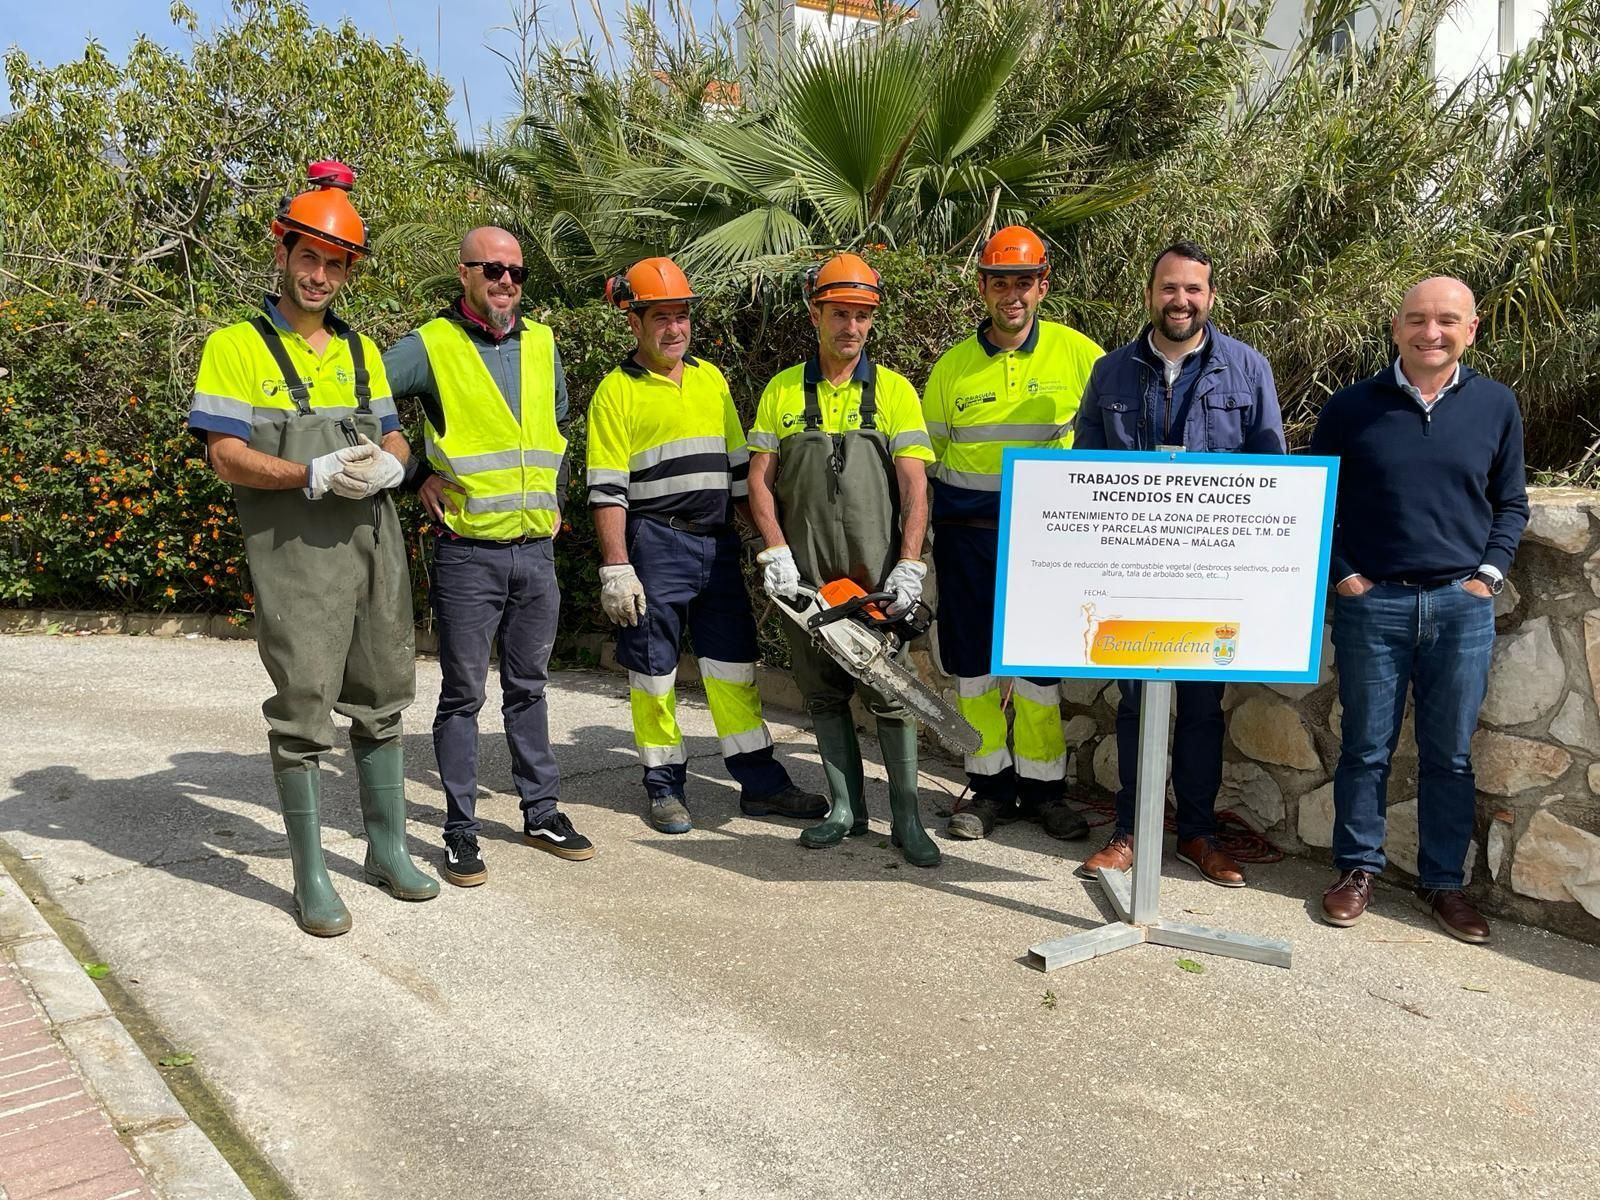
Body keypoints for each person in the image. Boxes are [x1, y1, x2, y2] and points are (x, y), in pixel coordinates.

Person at [186, 161, 436, 936]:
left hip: (374, 548)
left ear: (349, 271)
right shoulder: (236, 348)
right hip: (295, 555)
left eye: (335, 263)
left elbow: (393, 432)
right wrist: (310, 473)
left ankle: (387, 849)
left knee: (384, 698)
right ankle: (311, 876)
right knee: (303, 711)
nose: (320, 275)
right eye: (309, 257)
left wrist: (394, 463)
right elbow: (224, 454)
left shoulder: (362, 353)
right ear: (282, 252)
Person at [1310, 276, 1527, 943]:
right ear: (1397, 327)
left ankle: (1443, 884)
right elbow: (1318, 501)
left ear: (1471, 329)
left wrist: (1487, 578)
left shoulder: (1496, 405)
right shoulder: (1351, 408)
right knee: (1365, 748)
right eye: (1417, 319)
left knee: (1450, 756)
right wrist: (1346, 576)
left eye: (1446, 321)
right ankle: (1357, 870)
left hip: (1461, 608)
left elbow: (1511, 503)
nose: (1430, 332)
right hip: (1372, 606)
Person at [585, 257, 827, 834]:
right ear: (634, 323)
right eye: (661, 317)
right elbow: (606, 491)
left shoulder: (712, 379)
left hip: (716, 545)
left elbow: (742, 476)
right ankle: (664, 786)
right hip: (654, 543)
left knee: (734, 665)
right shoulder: (615, 392)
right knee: (654, 671)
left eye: (682, 316)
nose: (675, 328)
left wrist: (770, 544)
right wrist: (617, 567)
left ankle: (760, 783)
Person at [384, 226, 590, 888]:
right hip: (468, 556)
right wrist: (414, 473)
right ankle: (459, 829)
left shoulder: (543, 343)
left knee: (530, 688)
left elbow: (557, 428)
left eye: (516, 273)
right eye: (492, 269)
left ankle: (541, 814)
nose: (506, 282)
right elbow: (355, 396)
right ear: (464, 273)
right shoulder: (430, 346)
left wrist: (557, 498)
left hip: (535, 553)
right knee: (464, 695)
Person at [1074, 240, 1285, 888]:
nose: (1181, 300)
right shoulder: (1111, 373)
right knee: (1136, 703)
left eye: (1193, 289)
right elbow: (1083, 475)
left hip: (1212, 582)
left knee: (1200, 708)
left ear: (1210, 297)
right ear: (1150, 294)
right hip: (1132, 578)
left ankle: (1197, 833)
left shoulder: (1247, 370)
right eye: (1169, 287)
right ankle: (1130, 833)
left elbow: (1272, 476)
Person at [745, 254, 940, 867]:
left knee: (891, 696)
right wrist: (775, 549)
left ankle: (907, 817)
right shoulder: (782, 391)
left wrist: (910, 566)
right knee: (822, 695)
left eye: (861, 316)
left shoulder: (895, 393)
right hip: (805, 582)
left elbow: (914, 488)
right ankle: (845, 810)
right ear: (816, 315)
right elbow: (759, 480)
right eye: (839, 314)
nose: (850, 327)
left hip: (876, 580)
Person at [922, 226, 1101, 843]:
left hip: (1046, 543)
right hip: (966, 538)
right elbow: (926, 461)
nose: (1012, 294)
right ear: (983, 288)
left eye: (1024, 282)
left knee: (1037, 670)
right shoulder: (952, 367)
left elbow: (1108, 443)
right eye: (1000, 282)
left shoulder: (1080, 355)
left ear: (1043, 286)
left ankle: (1045, 789)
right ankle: (989, 786)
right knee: (973, 668)